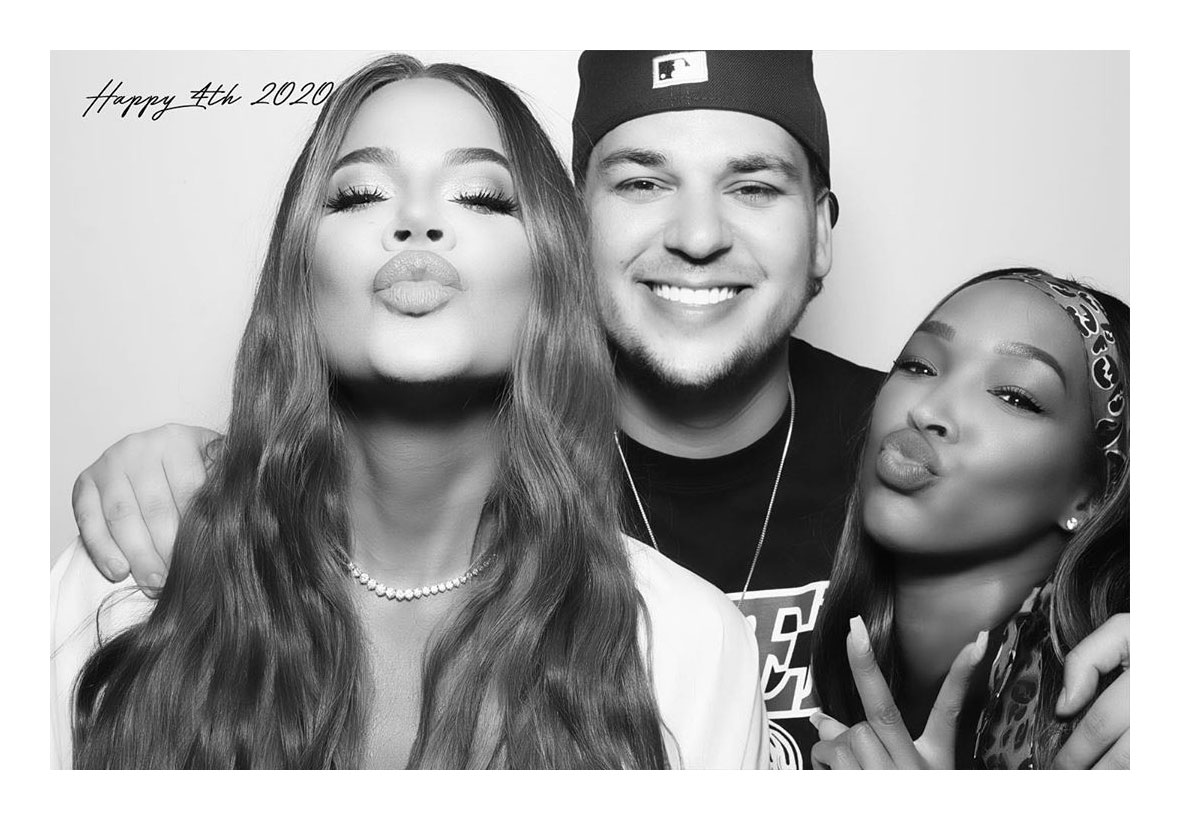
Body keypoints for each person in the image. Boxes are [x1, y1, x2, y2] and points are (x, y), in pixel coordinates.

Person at [63, 51, 1127, 769]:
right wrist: (201, 470)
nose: (697, 237)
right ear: (565, 233)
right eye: (641, 182)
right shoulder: (462, 437)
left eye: (754, 186)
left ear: (823, 232)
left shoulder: (914, 446)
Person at [51, 53, 766, 769]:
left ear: (551, 273)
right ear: (299, 273)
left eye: (480, 197)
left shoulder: (688, 646)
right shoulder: (131, 575)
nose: (417, 221)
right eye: (360, 194)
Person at [808, 268, 1129, 769]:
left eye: (1015, 396)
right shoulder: (853, 660)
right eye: (917, 366)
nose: (928, 409)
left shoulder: (1121, 703)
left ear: (1091, 497)